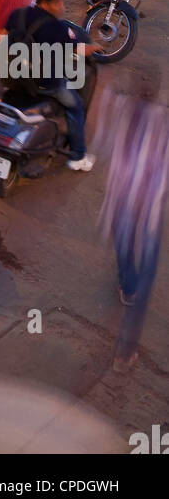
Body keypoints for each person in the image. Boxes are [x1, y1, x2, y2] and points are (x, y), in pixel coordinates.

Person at [94, 83, 169, 372]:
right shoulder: (160, 120)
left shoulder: (122, 113)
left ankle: (126, 285)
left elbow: (101, 141)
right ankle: (124, 354)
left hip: (121, 204)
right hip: (148, 208)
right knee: (145, 281)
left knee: (124, 250)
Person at [4, 0, 101, 171]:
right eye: (59, 3)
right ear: (46, 4)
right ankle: (78, 156)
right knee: (76, 107)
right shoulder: (56, 28)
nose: (62, 7)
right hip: (45, 83)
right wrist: (96, 47)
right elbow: (81, 50)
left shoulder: (18, 14)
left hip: (14, 76)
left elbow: (4, 36)